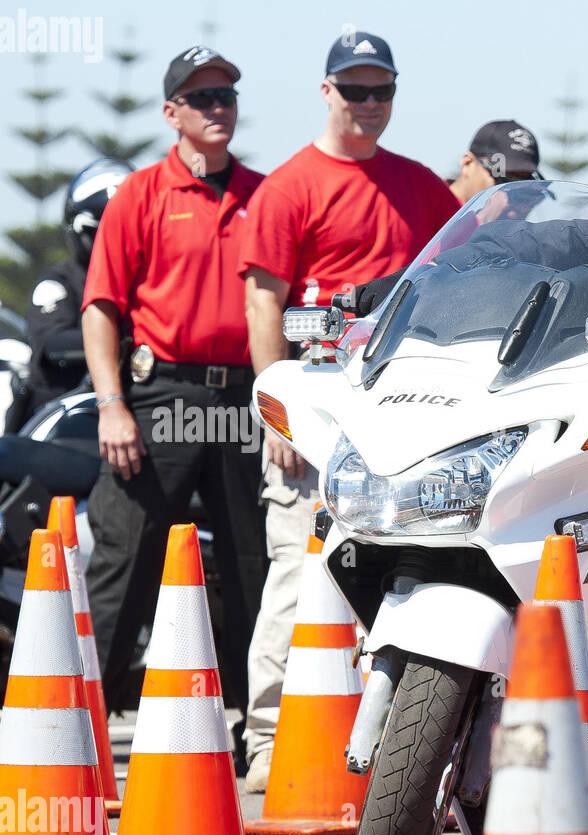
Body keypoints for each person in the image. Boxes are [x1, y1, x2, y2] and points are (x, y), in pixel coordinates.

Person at [239, 31, 460, 791]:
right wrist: (278, 411)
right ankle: (271, 740)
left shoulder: (423, 186)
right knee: (297, 576)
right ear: (325, 91)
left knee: (399, 574)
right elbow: (263, 300)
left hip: (403, 413)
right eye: (354, 90)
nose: (370, 105)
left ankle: (392, 747)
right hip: (319, 410)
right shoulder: (289, 186)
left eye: (383, 91)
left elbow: (459, 274)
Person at [81, 47, 267, 752]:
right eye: (202, 98)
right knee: (123, 562)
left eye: (226, 95)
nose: (218, 107)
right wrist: (111, 405)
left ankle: (260, 729)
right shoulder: (139, 195)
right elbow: (100, 307)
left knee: (254, 566)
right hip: (162, 396)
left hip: (244, 398)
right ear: (172, 114)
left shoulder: (264, 193)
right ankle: (72, 725)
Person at [16, 158, 133, 428]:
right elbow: (54, 343)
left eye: (125, 231)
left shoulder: (149, 284)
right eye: (100, 232)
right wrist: (132, 341)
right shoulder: (57, 283)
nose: (113, 243)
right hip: (65, 417)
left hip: (137, 409)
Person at [447, 120, 543, 205]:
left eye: (525, 184)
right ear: (467, 163)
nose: (514, 194)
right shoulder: (433, 204)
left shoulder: (505, 223)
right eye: (502, 179)